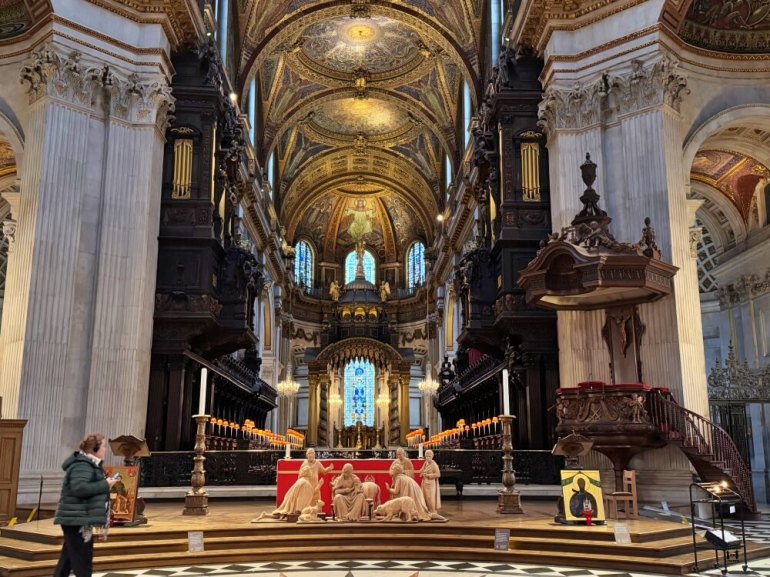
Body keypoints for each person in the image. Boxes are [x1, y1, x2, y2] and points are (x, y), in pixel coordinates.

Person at [54, 433, 117, 577]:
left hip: (77, 517)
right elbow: (79, 488)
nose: (106, 449)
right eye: (104, 446)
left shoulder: (88, 464)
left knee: (68, 559)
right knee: (83, 562)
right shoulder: (82, 465)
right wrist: (105, 484)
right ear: (95, 448)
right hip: (77, 519)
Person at [253, 448, 332, 521]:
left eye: (312, 454)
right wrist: (319, 485)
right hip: (308, 489)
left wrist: (329, 469)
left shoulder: (317, 464)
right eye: (309, 454)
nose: (311, 455)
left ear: (315, 455)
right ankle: (304, 513)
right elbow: (300, 476)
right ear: (307, 455)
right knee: (305, 507)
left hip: (312, 487)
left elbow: (324, 471)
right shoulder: (304, 472)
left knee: (313, 506)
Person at [418, 450, 443, 517]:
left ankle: (433, 511)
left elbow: (438, 474)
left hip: (431, 483)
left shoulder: (434, 464)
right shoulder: (425, 463)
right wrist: (421, 473)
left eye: (429, 456)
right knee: (425, 497)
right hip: (424, 483)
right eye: (426, 456)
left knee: (431, 498)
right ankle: (427, 511)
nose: (427, 457)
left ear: (432, 456)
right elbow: (421, 470)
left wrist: (429, 475)